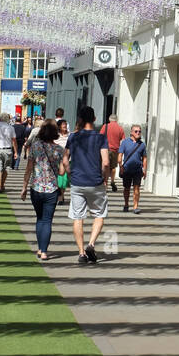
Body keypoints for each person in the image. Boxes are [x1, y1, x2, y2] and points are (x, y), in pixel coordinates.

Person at [65, 104, 110, 264]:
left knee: (78, 217)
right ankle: (91, 244)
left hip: (77, 182)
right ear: (95, 119)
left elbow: (65, 159)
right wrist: (105, 177)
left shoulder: (73, 137)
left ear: (80, 119)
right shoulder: (101, 138)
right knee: (99, 214)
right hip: (95, 182)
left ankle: (81, 253)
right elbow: (105, 162)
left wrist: (70, 173)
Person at [20, 120, 68, 260]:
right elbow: (61, 172)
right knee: (47, 220)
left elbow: (29, 169)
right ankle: (44, 251)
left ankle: (40, 248)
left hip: (36, 187)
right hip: (52, 189)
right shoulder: (59, 149)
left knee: (40, 218)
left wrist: (24, 187)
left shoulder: (35, 147)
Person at [118, 124, 147, 213]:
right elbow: (120, 155)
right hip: (127, 169)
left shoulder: (142, 144)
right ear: (131, 132)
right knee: (126, 188)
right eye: (136, 131)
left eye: (139, 131)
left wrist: (144, 169)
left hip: (137, 170)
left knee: (136, 188)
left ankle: (135, 206)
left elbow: (144, 158)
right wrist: (121, 166)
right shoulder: (125, 142)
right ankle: (126, 204)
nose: (138, 133)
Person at [0, 112, 17, 193]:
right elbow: (14, 140)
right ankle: (2, 184)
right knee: (6, 168)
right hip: (8, 150)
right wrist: (16, 152)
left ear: (0, 118)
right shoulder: (11, 127)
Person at [99, 114, 126, 193]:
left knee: (105, 166)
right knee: (113, 167)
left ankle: (105, 184)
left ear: (109, 119)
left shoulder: (105, 126)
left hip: (105, 149)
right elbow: (123, 140)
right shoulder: (120, 128)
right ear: (116, 120)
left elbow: (100, 136)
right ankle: (112, 181)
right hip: (115, 150)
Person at [55, 118, 70, 205]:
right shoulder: (56, 136)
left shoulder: (70, 135)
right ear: (59, 126)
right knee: (60, 178)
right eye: (63, 124)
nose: (65, 126)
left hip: (68, 159)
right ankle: (60, 197)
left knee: (65, 180)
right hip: (58, 159)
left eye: (66, 124)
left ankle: (61, 194)